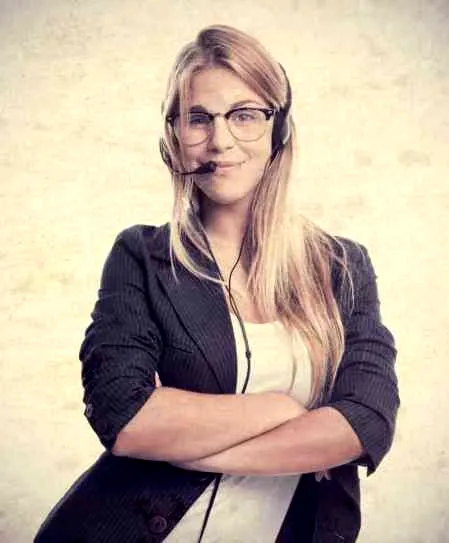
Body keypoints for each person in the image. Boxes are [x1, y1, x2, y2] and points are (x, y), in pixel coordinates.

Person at [34, 24, 399, 543]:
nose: (220, 140)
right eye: (199, 118)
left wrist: (190, 447)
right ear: (174, 135)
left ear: (278, 129)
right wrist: (281, 411)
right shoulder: (143, 256)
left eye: (245, 114)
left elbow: (366, 421)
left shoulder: (342, 267)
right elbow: (124, 415)